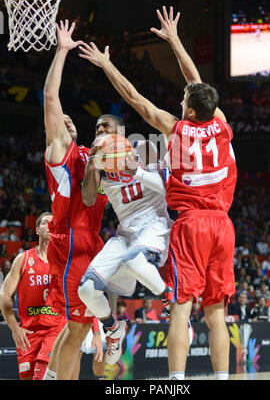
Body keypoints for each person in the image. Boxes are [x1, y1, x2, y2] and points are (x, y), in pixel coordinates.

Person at [78, 5, 237, 381]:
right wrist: (177, 42)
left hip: (192, 224)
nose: (180, 104)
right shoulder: (221, 123)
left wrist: (106, 65)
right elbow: (196, 84)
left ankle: (177, 382)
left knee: (180, 308)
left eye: (184, 103)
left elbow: (134, 98)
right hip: (223, 226)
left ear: (189, 111)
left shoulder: (175, 128)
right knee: (217, 313)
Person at [42, 20, 108, 380]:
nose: (66, 122)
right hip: (71, 245)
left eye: (70, 121)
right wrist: (63, 50)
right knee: (78, 329)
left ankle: (52, 378)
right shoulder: (60, 154)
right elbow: (52, 99)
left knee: (78, 329)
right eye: (60, 122)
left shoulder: (90, 154)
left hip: (92, 247)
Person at [78, 114, 173, 363]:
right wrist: (91, 166)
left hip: (154, 223)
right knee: (86, 290)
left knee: (135, 262)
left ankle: (170, 302)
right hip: (125, 232)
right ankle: (113, 328)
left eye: (105, 126)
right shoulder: (98, 163)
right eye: (97, 127)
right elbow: (88, 200)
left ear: (120, 130)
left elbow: (168, 190)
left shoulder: (143, 148)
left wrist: (137, 171)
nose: (99, 130)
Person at [0, 212, 67, 380]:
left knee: (41, 374)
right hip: (28, 330)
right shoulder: (23, 259)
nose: (50, 226)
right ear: (37, 230)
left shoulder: (65, 261)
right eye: (45, 223)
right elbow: (4, 295)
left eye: (53, 224)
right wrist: (15, 328)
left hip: (55, 328)